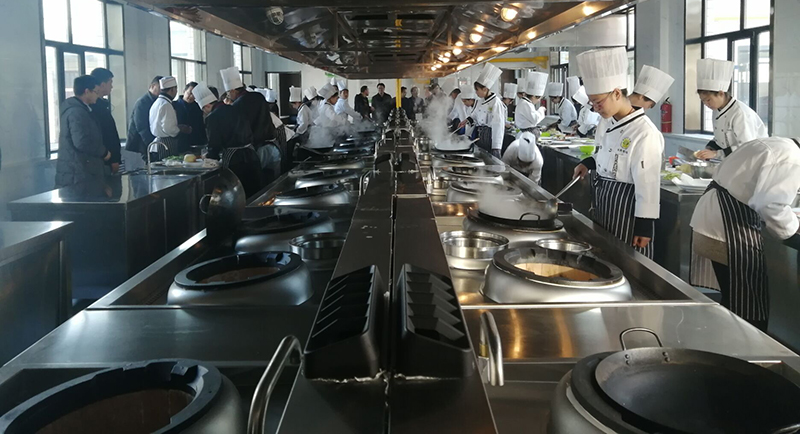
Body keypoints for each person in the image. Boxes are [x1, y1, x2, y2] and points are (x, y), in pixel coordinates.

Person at [690, 136, 800, 331]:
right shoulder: (790, 158)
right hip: (728, 226)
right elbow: (771, 205)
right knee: (746, 303)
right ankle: (744, 347)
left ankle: (728, 342)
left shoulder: (777, 144)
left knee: (733, 299)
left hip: (715, 218)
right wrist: (793, 236)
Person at [573, 47, 664, 259]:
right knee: (603, 259)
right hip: (605, 205)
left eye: (598, 102)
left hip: (627, 211)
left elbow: (648, 183)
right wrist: (588, 162)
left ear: (616, 93)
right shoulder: (609, 121)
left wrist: (644, 225)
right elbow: (607, 155)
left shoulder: (644, 132)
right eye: (592, 103)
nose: (595, 108)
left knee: (626, 264)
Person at [194, 82, 262, 197]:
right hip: (251, 154)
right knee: (253, 193)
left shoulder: (213, 117)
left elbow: (214, 144)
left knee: (237, 194)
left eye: (203, 110)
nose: (204, 113)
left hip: (235, 159)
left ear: (207, 106)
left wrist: (209, 156)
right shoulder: (236, 108)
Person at [695, 59, 768, 161]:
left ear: (721, 93)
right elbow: (721, 138)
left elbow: (746, 146)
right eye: (703, 101)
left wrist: (716, 154)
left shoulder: (740, 113)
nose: (707, 104)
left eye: (708, 100)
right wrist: (710, 148)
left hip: (753, 160)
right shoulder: (717, 110)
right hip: (734, 159)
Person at [55, 75, 109, 188]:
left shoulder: (83, 110)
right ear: (87, 91)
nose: (98, 95)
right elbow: (81, 142)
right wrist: (103, 152)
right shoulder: (76, 112)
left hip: (81, 170)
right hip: (77, 174)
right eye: (96, 92)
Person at [460, 63, 504, 157]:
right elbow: (475, 116)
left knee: (490, 160)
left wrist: (496, 147)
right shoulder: (481, 101)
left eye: (477, 90)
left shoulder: (495, 103)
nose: (476, 93)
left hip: (490, 137)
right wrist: (466, 120)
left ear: (485, 89)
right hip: (481, 135)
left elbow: (498, 126)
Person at [148, 76, 189, 160]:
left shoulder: (157, 103)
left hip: (158, 143)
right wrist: (179, 129)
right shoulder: (166, 105)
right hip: (166, 144)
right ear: (172, 90)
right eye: (176, 89)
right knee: (168, 165)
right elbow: (169, 129)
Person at [89, 68, 121, 174]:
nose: (112, 86)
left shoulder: (102, 106)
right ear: (102, 85)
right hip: (104, 160)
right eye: (110, 83)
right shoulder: (95, 108)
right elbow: (106, 135)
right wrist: (113, 158)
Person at [126, 76, 161, 155]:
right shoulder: (142, 102)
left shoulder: (158, 101)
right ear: (152, 86)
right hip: (143, 143)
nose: (162, 91)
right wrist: (152, 145)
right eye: (160, 88)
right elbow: (141, 127)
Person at [173, 82, 207, 154]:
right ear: (184, 91)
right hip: (178, 142)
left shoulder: (198, 107)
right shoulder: (174, 105)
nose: (192, 96)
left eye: (195, 95)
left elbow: (201, 125)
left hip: (195, 142)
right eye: (190, 93)